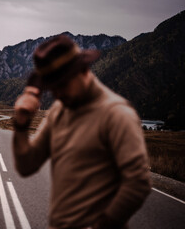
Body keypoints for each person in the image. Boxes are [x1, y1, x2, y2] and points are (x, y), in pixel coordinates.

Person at [12, 35, 151, 229]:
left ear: (83, 70)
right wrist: (21, 123)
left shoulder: (116, 114)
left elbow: (138, 183)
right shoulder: (59, 112)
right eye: (52, 88)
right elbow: (27, 165)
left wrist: (104, 224)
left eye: (62, 84)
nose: (57, 94)